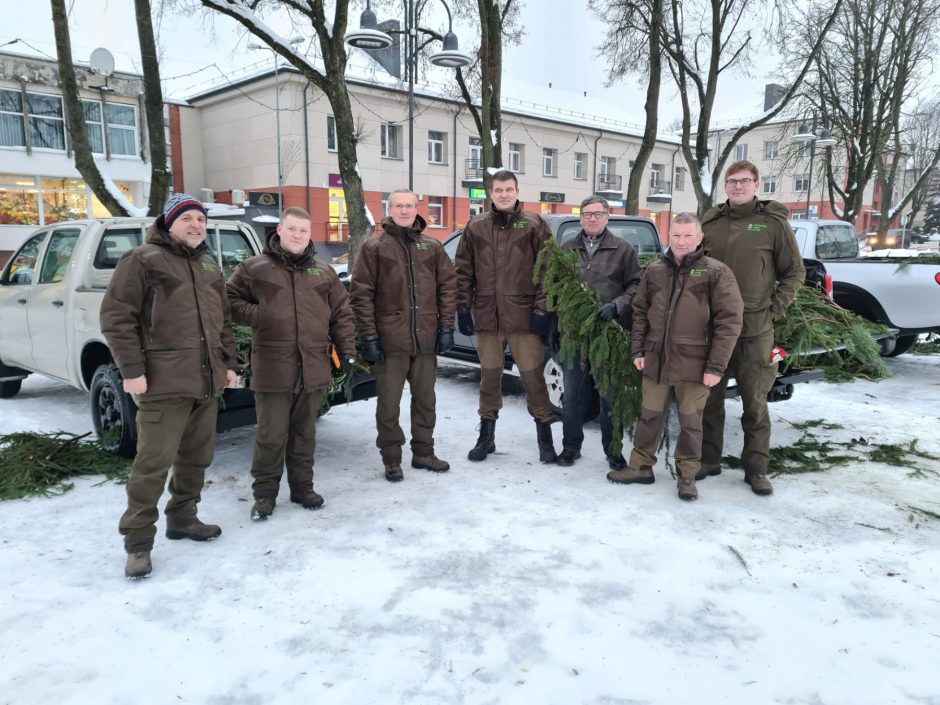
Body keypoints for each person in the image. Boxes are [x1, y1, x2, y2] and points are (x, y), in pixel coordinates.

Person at [101, 193, 239, 580]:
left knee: (197, 457)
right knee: (153, 464)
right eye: (187, 218)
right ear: (168, 221)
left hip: (206, 380)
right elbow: (117, 317)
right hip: (162, 382)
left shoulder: (208, 263)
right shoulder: (142, 259)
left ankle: (182, 518)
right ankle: (138, 543)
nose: (196, 225)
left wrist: (229, 362)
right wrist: (131, 369)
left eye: (200, 219)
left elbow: (223, 320)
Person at [226, 207, 357, 520]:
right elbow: (227, 300)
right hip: (273, 366)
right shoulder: (254, 268)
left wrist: (347, 351)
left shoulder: (323, 272)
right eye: (292, 229)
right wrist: (259, 315)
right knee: (271, 436)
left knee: (304, 433)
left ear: (309, 234)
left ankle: (302, 488)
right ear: (280, 231)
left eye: (303, 230)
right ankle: (265, 496)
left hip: (313, 366)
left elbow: (342, 313)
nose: (298, 235)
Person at [608, 213, 743, 500]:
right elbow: (640, 311)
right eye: (676, 235)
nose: (681, 241)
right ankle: (641, 466)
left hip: (695, 363)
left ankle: (687, 476)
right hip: (656, 359)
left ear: (699, 238)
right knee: (649, 416)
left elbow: (729, 322)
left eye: (687, 235)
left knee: (691, 423)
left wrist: (716, 366)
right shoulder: (655, 270)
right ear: (670, 236)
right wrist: (639, 349)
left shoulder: (715, 272)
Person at [699, 160, 805, 496]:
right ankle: (708, 459)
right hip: (713, 327)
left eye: (744, 181)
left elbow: (794, 272)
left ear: (756, 184)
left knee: (755, 401)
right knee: (710, 398)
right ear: (725, 186)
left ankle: (757, 468)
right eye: (732, 182)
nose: (737, 187)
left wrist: (777, 308)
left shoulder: (772, 224)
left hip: (756, 328)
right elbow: (695, 267)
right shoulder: (710, 221)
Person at [350, 189, 457, 482]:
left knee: (425, 401)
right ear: (390, 209)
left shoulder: (432, 247)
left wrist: (446, 326)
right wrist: (369, 336)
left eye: (409, 205)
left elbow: (448, 287)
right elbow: (361, 294)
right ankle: (391, 458)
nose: (405, 211)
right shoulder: (374, 248)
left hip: (425, 341)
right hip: (390, 342)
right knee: (388, 404)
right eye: (399, 205)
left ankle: (423, 453)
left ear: (416, 208)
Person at [454, 170, 559, 463]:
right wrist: (463, 307)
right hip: (488, 316)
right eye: (498, 189)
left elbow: (548, 270)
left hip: (524, 316)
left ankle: (545, 438)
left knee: (533, 378)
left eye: (508, 189)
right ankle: (486, 437)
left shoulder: (534, 224)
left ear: (516, 191)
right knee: (488, 378)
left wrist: (542, 309)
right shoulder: (475, 226)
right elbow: (463, 270)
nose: (503, 194)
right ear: (491, 192)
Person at [558, 196, 641, 469]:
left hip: (607, 335)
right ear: (580, 218)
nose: (592, 218)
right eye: (586, 214)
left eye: (597, 213)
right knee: (571, 395)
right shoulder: (568, 248)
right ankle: (570, 447)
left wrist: (616, 306)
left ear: (607, 216)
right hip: (574, 335)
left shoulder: (623, 249)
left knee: (608, 397)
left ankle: (613, 451)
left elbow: (636, 286)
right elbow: (555, 287)